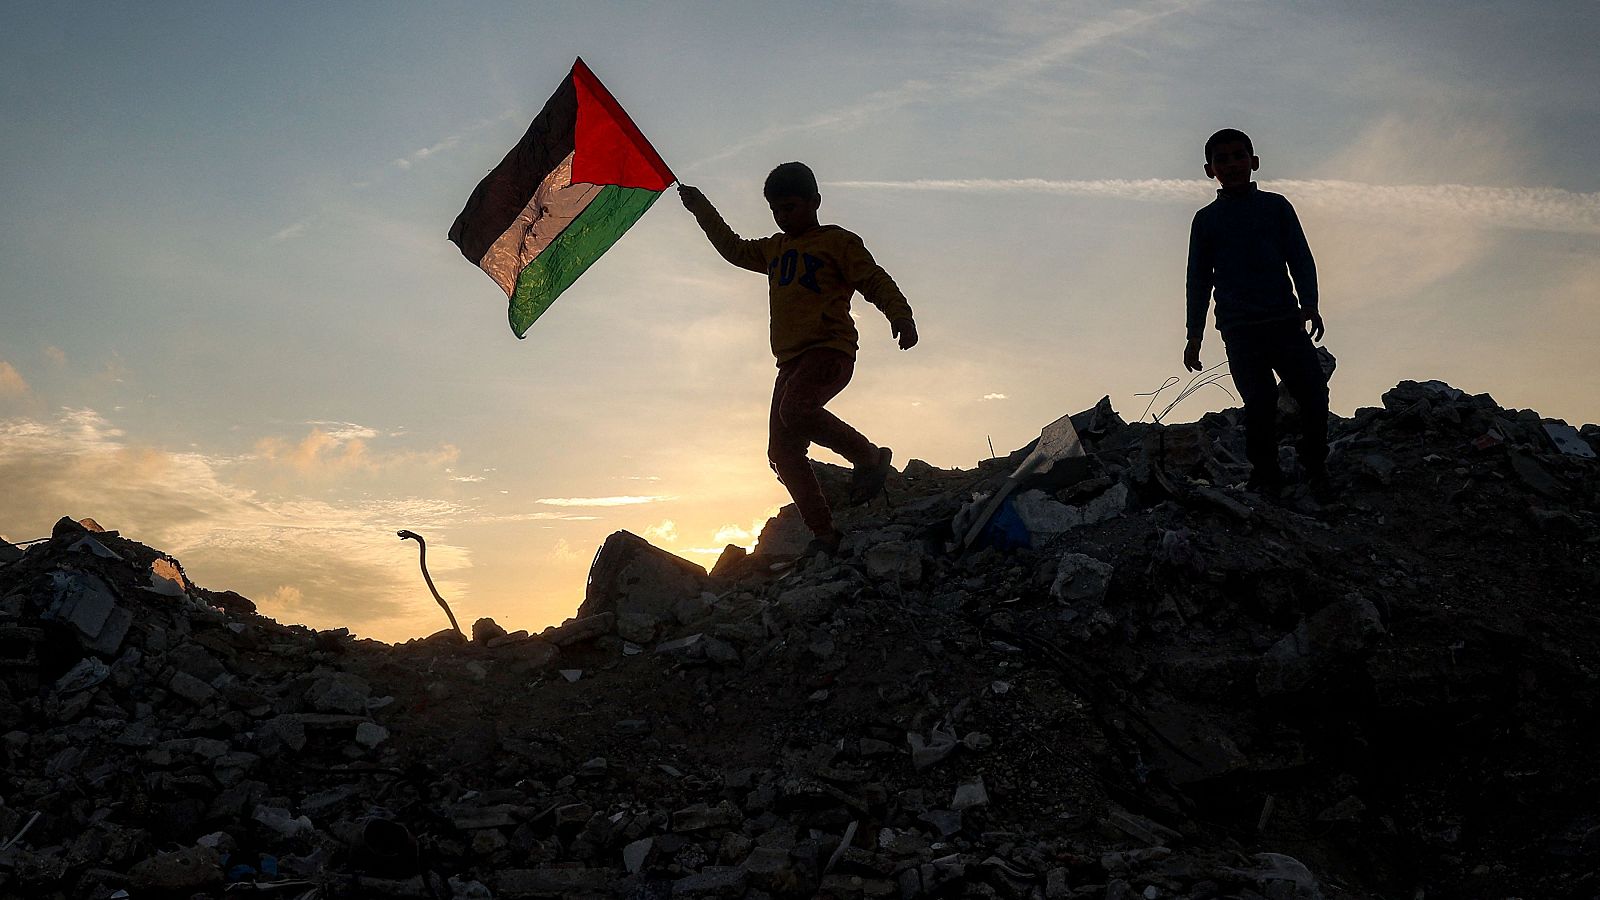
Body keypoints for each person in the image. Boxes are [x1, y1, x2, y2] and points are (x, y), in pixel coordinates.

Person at [679, 162, 917, 553]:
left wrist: (901, 315)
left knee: (796, 410)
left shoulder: (837, 242)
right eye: (776, 210)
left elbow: (873, 278)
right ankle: (824, 533)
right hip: (790, 363)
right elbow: (733, 248)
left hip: (829, 350)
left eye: (790, 207)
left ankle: (869, 457)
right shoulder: (775, 249)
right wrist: (701, 207)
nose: (783, 216)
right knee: (782, 452)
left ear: (814, 202)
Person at [1184, 128, 1329, 495]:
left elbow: (1300, 256)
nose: (1231, 164)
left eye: (1238, 156)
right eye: (1222, 159)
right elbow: (1198, 280)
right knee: (1259, 402)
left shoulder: (1276, 207)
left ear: (1254, 162)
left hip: (1283, 320)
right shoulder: (1206, 221)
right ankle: (1266, 475)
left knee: (1313, 392)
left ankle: (1315, 466)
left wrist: (1310, 303)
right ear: (1209, 170)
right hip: (1239, 328)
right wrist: (1194, 335)